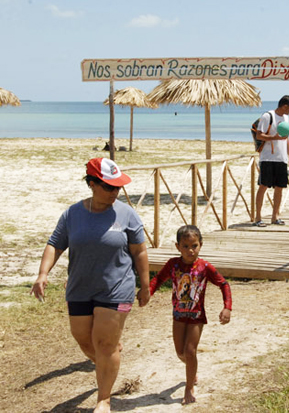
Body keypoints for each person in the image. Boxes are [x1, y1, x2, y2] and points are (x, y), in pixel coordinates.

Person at [30, 157, 150, 413]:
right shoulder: (73, 214)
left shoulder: (127, 214)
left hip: (117, 288)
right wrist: (42, 274)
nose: (115, 192)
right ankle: (110, 362)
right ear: (92, 184)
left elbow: (139, 251)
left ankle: (103, 400)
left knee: (104, 344)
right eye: (109, 187)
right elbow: (55, 244)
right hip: (80, 287)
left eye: (118, 187)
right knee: (85, 341)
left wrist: (146, 284)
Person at [148, 225, 232, 405]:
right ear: (177, 247)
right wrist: (148, 292)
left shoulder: (204, 267)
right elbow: (158, 279)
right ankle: (192, 372)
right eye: (185, 246)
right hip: (178, 315)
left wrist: (227, 307)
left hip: (196, 317)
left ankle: (189, 387)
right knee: (180, 352)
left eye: (194, 245)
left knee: (190, 350)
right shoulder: (173, 264)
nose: (190, 250)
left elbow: (224, 284)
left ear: (200, 245)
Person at [254, 95, 289, 227]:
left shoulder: (286, 118)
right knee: (263, 186)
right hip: (267, 157)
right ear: (285, 106)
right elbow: (259, 135)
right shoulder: (268, 116)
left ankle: (275, 216)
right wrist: (275, 138)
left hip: (281, 158)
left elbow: (286, 138)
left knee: (280, 188)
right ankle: (258, 218)